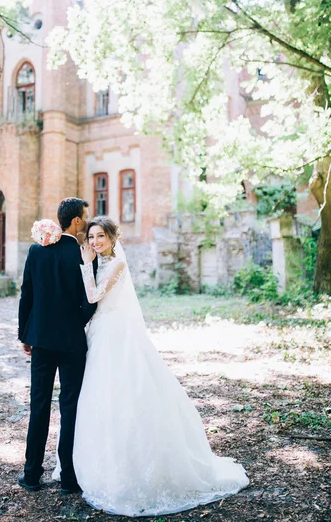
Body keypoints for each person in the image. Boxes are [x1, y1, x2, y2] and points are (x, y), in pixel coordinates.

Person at [50, 215, 249, 517]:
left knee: (125, 392)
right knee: (98, 397)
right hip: (100, 334)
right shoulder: (99, 262)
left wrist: (84, 264)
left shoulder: (116, 264)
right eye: (90, 237)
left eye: (100, 236)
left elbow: (93, 296)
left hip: (117, 335)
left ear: (112, 238)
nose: (94, 242)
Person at [17, 198, 96, 495]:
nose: (86, 222)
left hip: (41, 340)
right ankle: (69, 478)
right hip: (72, 342)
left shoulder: (36, 251)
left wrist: (25, 333)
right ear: (75, 221)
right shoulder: (82, 253)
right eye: (84, 218)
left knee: (39, 405)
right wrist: (77, 322)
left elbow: (27, 294)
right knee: (70, 406)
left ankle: (32, 474)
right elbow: (91, 299)